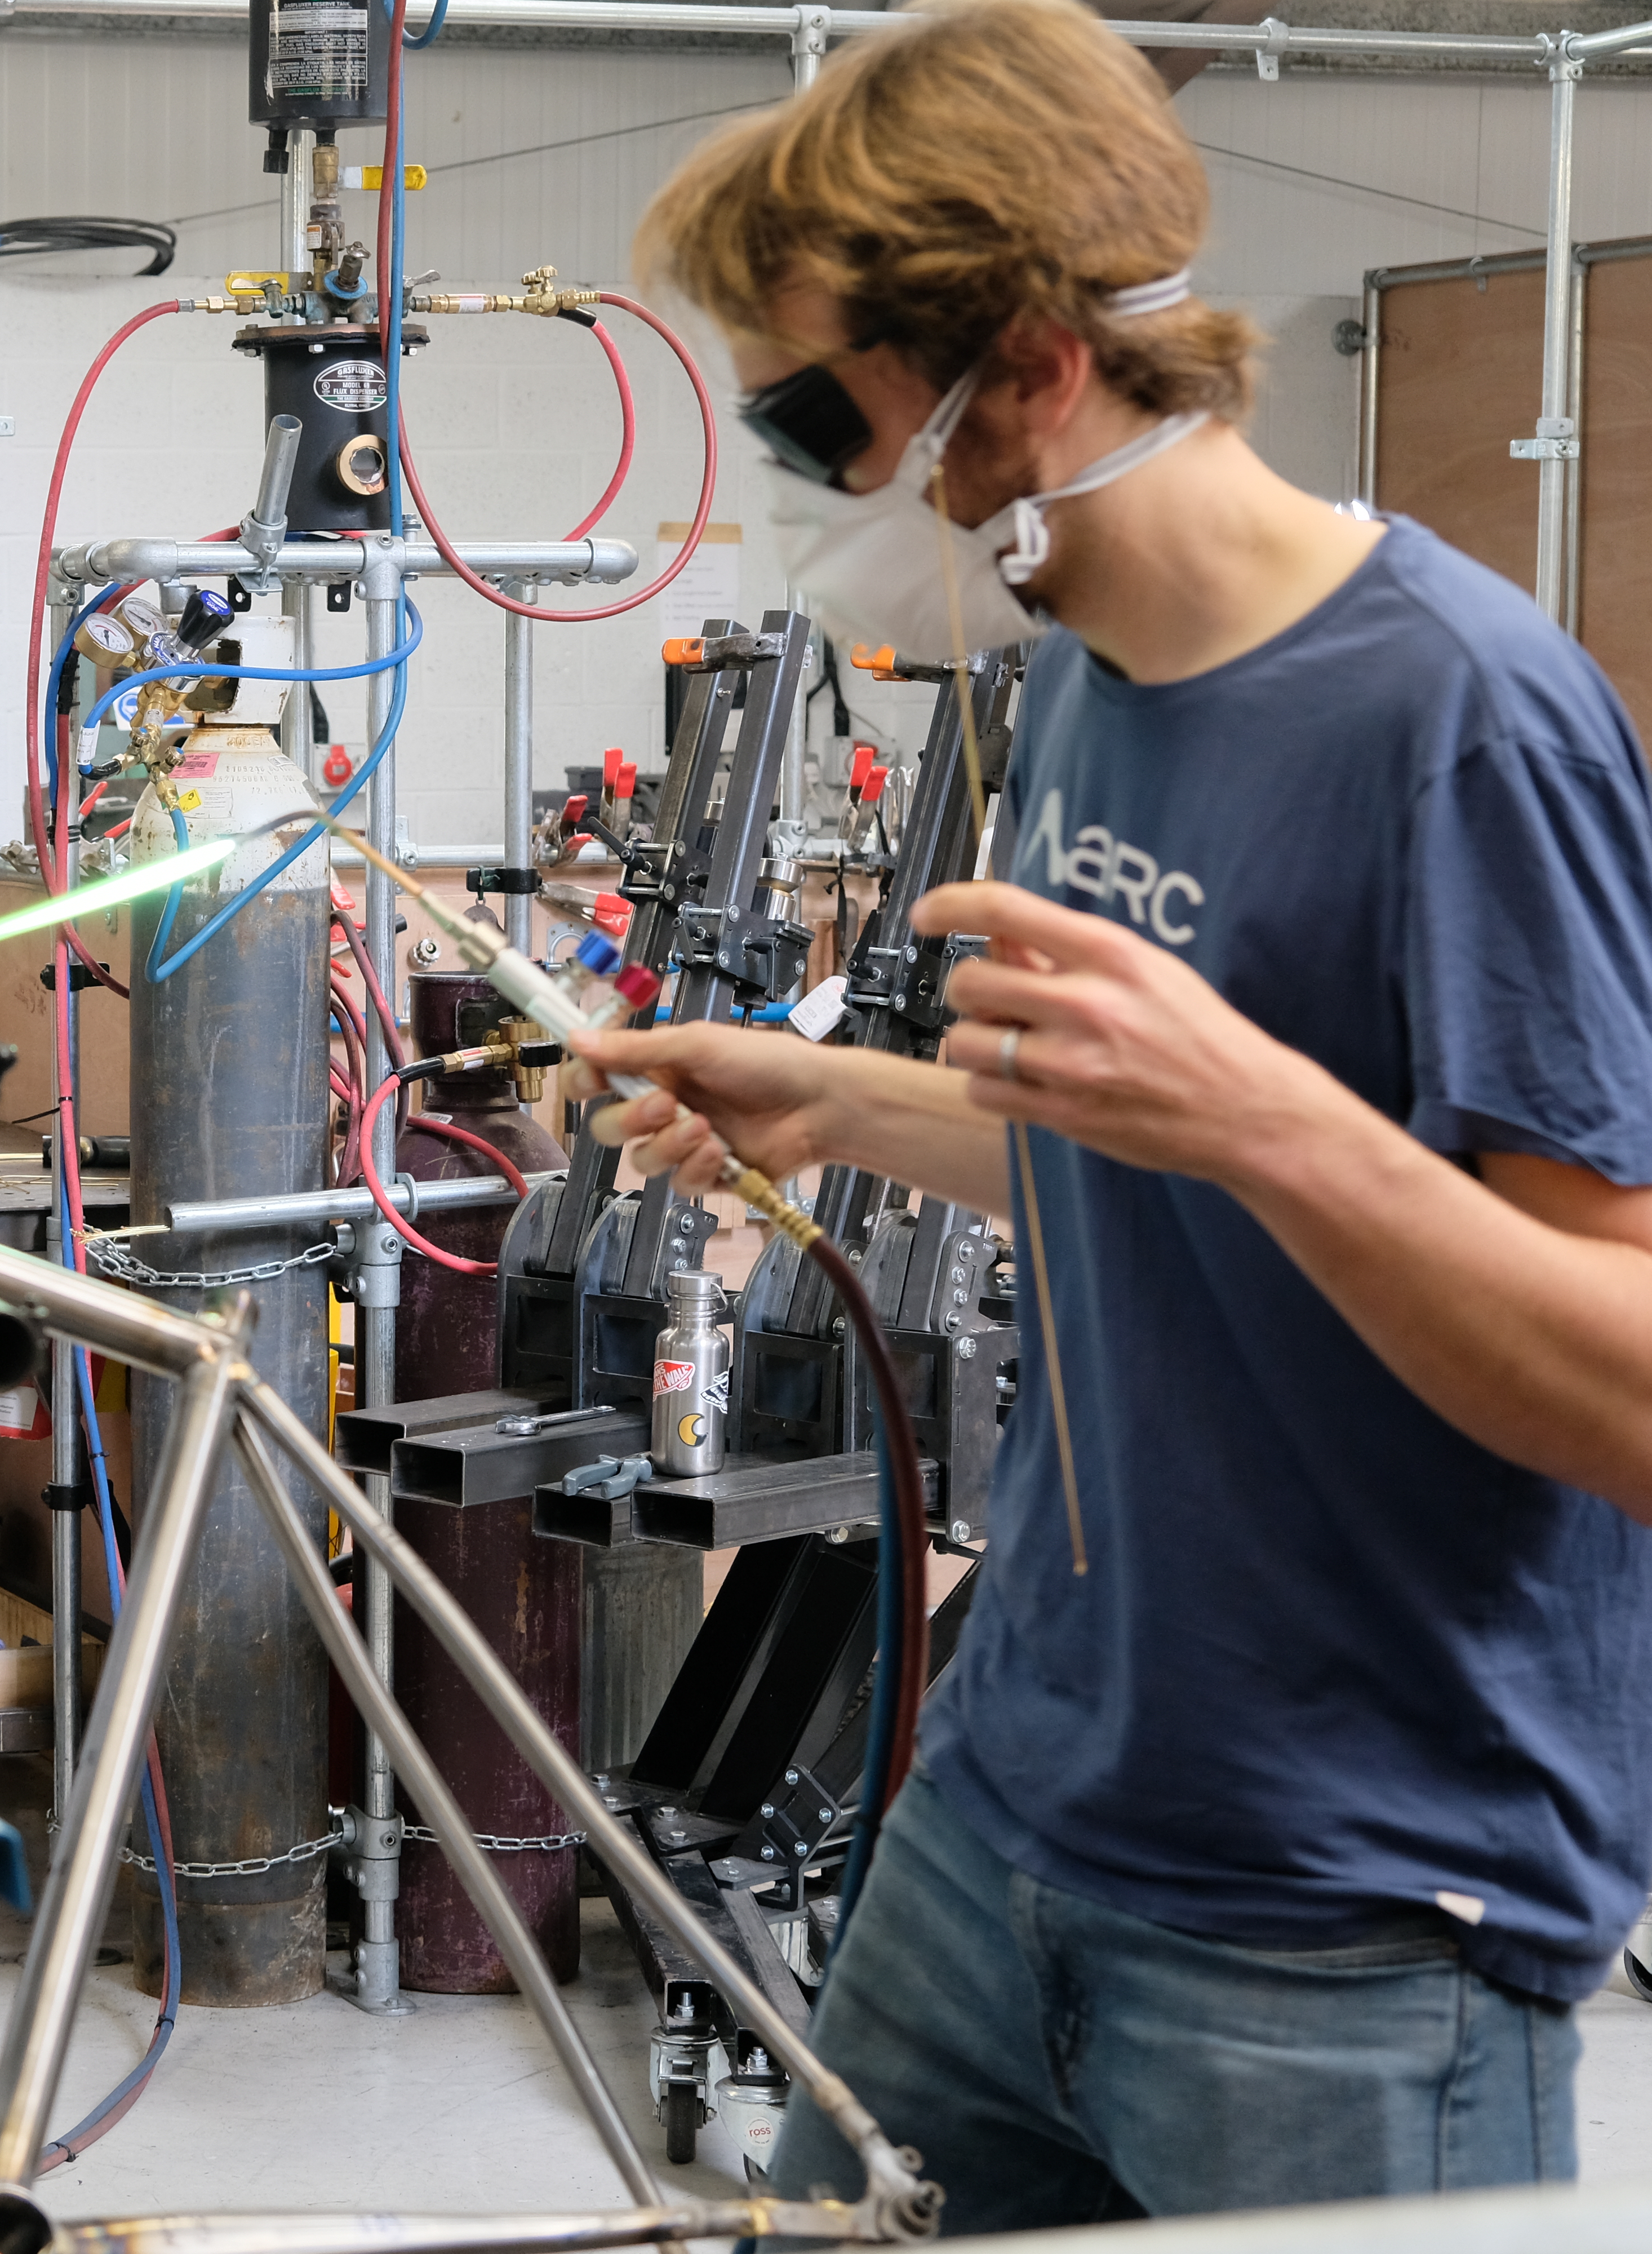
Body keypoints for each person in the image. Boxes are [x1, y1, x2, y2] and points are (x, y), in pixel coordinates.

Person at [593, 0, 1652, 2231]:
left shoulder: (1465, 725)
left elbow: (1625, 1381)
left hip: (1350, 1915)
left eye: (814, 409)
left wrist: (1268, 1113)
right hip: (1006, 1823)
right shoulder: (1075, 671)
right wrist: (843, 1101)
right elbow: (1143, 1169)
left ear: (1027, 361)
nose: (796, 472)